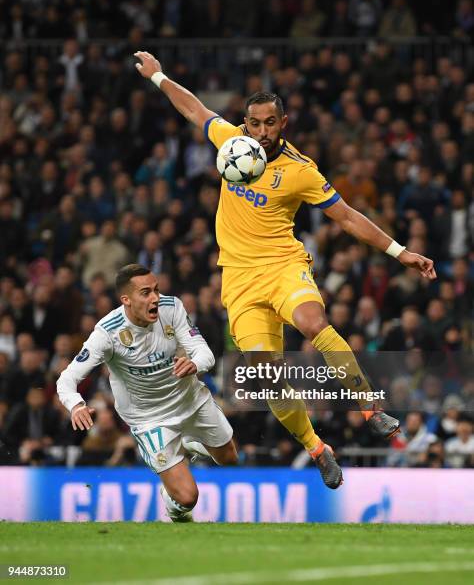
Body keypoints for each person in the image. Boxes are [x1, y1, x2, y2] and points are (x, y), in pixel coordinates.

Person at [134, 51, 437, 489]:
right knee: (266, 374)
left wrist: (399, 250)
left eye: (269, 123)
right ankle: (317, 448)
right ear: (245, 123)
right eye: (254, 123)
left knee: (314, 323)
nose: (260, 131)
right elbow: (194, 108)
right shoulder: (231, 143)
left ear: (283, 122)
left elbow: (348, 217)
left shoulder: (300, 171)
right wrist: (158, 75)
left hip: (283, 265)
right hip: (239, 279)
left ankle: (369, 405)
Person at [57, 264, 237, 522]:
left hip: (191, 400)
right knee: (188, 497)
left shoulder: (172, 308)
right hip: (149, 418)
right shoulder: (107, 333)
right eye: (145, 293)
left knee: (230, 459)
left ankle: (187, 443)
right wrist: (76, 405)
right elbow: (66, 380)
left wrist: (195, 364)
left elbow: (204, 351)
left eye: (156, 290)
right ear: (126, 300)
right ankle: (172, 504)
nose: (155, 298)